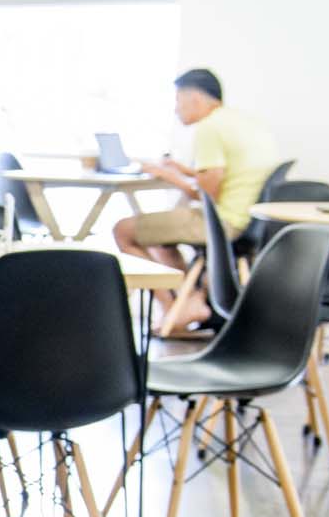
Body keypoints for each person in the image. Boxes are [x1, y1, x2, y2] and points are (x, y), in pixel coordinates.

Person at [114, 68, 281, 330]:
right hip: (253, 222)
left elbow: (206, 194)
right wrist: (186, 171)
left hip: (224, 222)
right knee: (160, 236)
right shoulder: (241, 122)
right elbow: (226, 175)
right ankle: (188, 301)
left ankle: (174, 311)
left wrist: (168, 176)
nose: (176, 109)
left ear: (196, 99)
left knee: (124, 230)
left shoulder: (210, 127)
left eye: (178, 100)